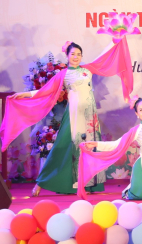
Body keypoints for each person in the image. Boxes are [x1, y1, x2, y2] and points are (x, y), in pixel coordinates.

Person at [10, 42, 106, 195]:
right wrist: (25, 94)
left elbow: (104, 58)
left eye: (78, 54)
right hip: (74, 115)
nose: (76, 57)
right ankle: (40, 183)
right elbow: (45, 90)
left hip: (89, 117)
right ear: (67, 56)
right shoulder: (63, 74)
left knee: (88, 149)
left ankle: (84, 185)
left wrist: (116, 40)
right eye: (72, 54)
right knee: (60, 148)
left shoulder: (87, 70)